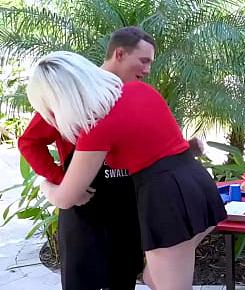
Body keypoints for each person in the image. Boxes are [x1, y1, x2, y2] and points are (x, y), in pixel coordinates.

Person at [26, 50, 227, 290]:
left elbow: (66, 197)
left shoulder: (97, 127)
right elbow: (160, 148)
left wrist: (46, 184)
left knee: (170, 285)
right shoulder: (139, 90)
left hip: (167, 200)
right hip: (196, 185)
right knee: (153, 278)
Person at [18, 26, 155, 290]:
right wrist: (62, 180)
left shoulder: (136, 94)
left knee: (124, 278)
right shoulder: (73, 91)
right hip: (83, 210)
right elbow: (29, 142)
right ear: (119, 54)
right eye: (144, 61)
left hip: (127, 206)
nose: (147, 70)